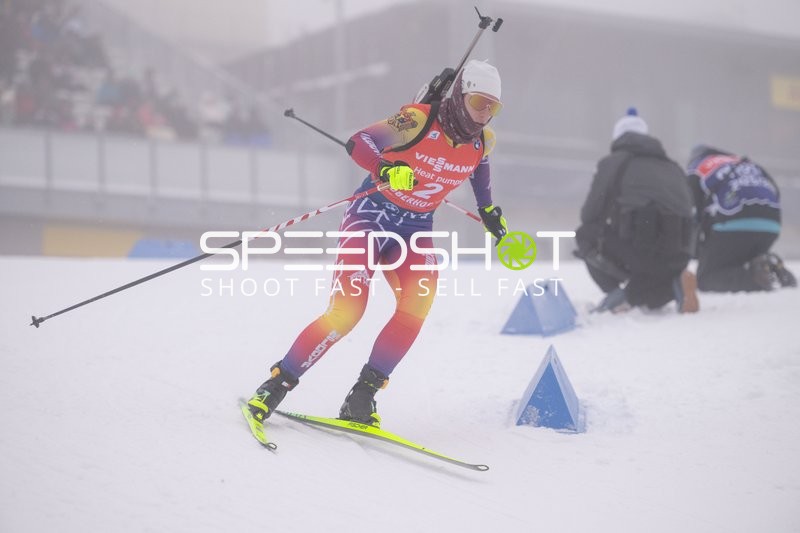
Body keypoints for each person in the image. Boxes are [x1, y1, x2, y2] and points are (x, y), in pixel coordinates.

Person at [245, 60, 508, 428]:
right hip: (370, 216)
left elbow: (479, 165)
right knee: (347, 312)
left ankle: (362, 396)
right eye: (479, 102)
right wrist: (384, 169)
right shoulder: (416, 120)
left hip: (415, 229)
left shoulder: (483, 141)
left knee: (417, 305)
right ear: (461, 95)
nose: (484, 114)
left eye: (493, 107)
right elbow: (360, 142)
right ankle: (275, 386)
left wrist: (488, 209)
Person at [575, 108, 699, 313]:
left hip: (643, 249)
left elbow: (590, 214)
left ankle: (621, 297)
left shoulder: (614, 162)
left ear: (618, 138)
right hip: (681, 254)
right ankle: (676, 282)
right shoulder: (673, 167)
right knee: (653, 269)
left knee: (586, 234)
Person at [686, 145, 796, 292]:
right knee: (738, 261)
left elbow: (690, 213)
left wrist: (694, 248)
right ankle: (775, 271)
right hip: (771, 225)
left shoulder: (698, 168)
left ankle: (755, 279)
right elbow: (774, 190)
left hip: (734, 224)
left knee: (707, 278)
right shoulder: (744, 162)